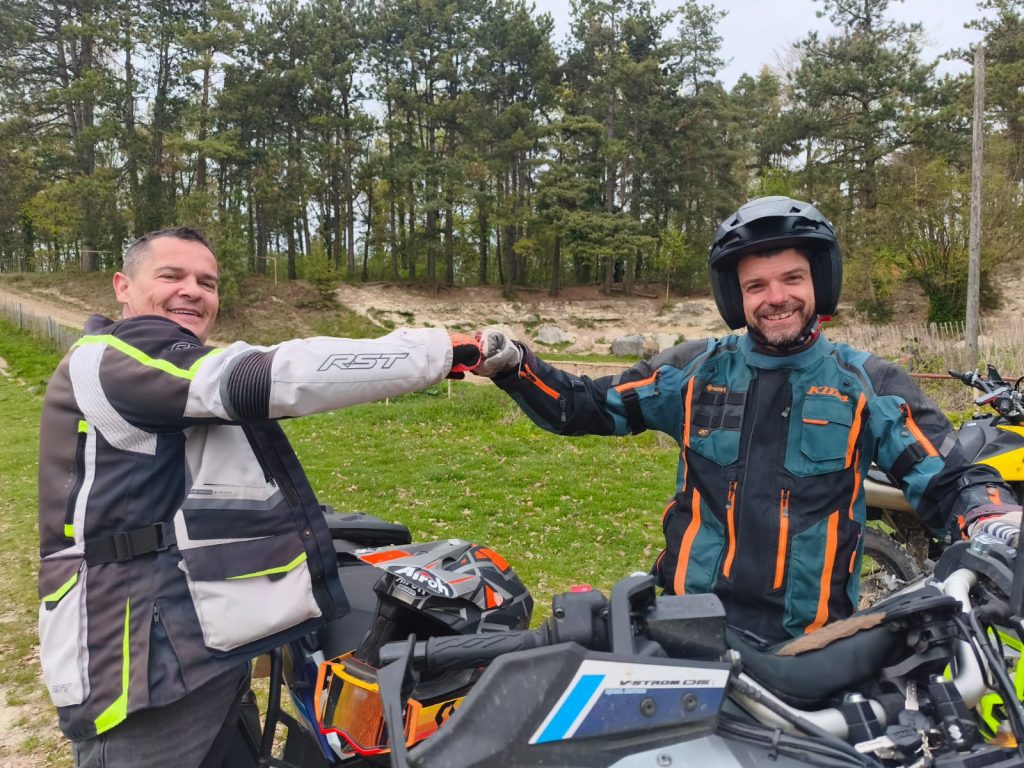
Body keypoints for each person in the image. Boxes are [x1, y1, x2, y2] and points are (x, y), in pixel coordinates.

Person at [474, 195, 1021, 643]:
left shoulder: (867, 383)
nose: (776, 298)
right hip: (688, 630)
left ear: (820, 282)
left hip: (812, 645)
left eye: (792, 279)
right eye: (756, 286)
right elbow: (586, 405)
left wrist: (991, 516)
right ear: (735, 298)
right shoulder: (692, 371)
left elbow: (952, 479)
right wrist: (515, 367)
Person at [36, 227, 481, 767]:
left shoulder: (167, 369)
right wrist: (439, 351)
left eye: (207, 282)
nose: (192, 290)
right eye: (171, 275)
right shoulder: (115, 358)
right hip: (137, 662)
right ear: (122, 287)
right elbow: (264, 378)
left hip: (199, 642)